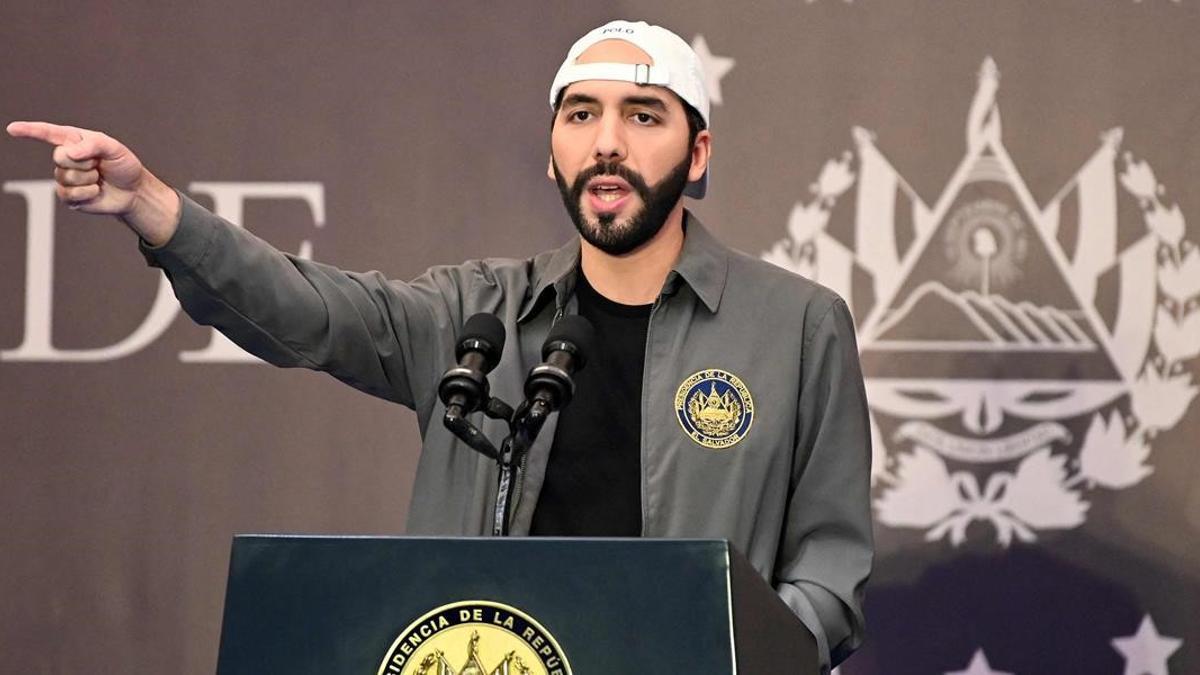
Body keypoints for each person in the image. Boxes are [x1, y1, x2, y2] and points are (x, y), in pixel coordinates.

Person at [7, 20, 872, 672]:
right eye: (580, 114)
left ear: (698, 153)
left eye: (643, 115)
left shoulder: (797, 324)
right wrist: (156, 208)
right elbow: (313, 311)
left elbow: (830, 569)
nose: (607, 140)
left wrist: (737, 655)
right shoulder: (476, 314)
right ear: (552, 153)